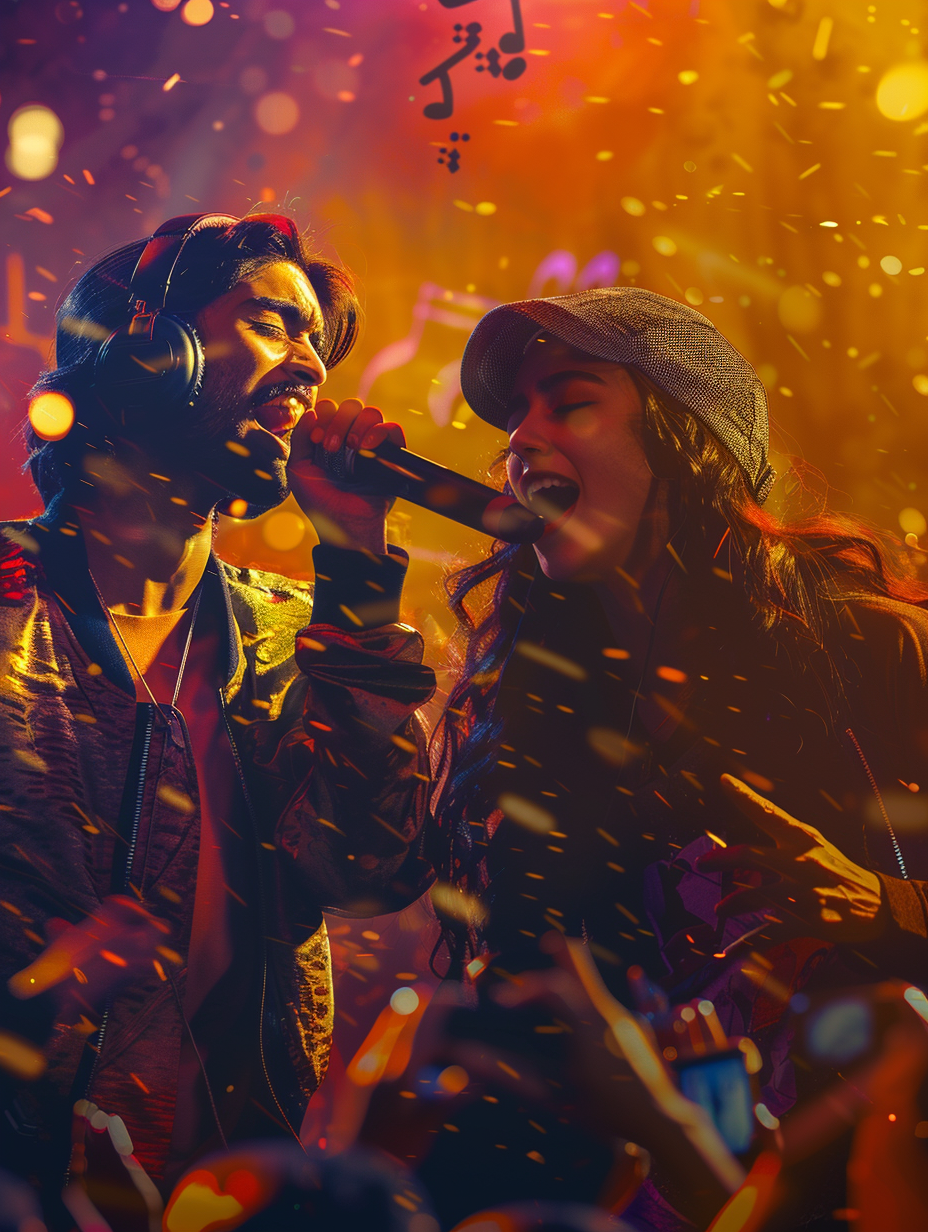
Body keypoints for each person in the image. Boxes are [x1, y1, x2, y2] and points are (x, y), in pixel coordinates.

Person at [422, 288, 928, 1228]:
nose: (521, 439)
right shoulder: (541, 707)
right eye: (515, 420)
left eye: (570, 402)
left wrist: (883, 904)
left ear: (688, 443)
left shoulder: (875, 652)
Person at [0, 212, 435, 1224]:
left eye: (318, 346)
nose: (310, 368)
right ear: (152, 354)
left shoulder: (297, 637)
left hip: (234, 1195)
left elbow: (368, 869)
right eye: (275, 323)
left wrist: (358, 568)